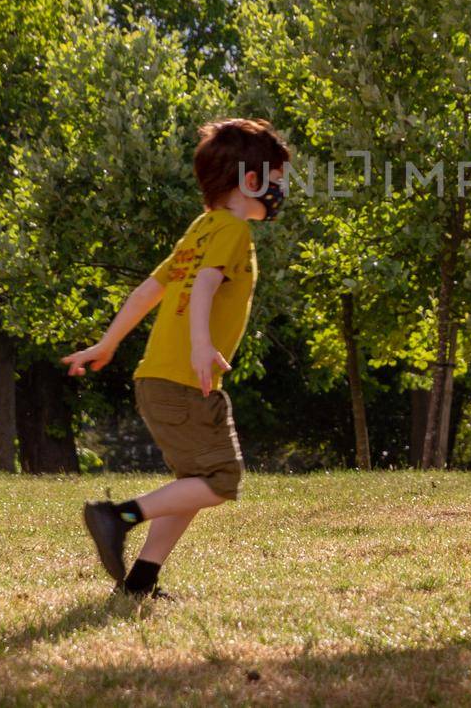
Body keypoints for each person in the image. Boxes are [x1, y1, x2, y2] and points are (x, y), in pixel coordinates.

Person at [62, 118, 291, 599]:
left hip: (159, 378)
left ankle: (140, 582)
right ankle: (117, 517)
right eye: (277, 177)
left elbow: (149, 290)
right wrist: (201, 345)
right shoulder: (231, 232)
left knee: (193, 481)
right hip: (184, 379)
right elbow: (205, 285)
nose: (282, 188)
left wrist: (107, 344)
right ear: (252, 182)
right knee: (220, 480)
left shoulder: (201, 228)